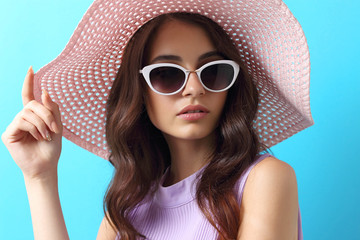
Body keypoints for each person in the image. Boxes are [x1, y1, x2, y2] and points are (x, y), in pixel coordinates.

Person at [2, 0, 313, 239]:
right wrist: (39, 177)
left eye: (213, 72)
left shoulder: (264, 179)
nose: (194, 89)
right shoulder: (126, 207)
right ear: (139, 93)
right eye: (167, 75)